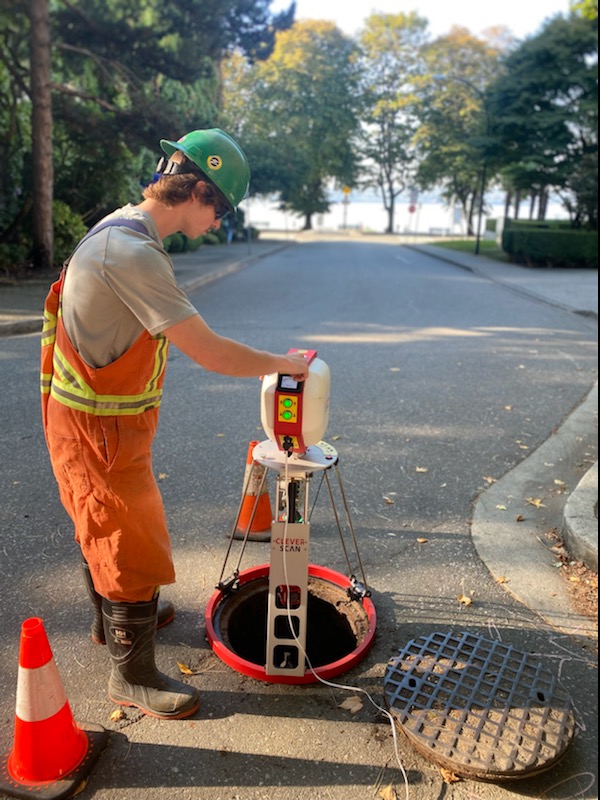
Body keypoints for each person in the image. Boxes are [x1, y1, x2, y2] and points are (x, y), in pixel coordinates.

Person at [40, 128, 309, 720]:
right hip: (99, 428)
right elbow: (209, 352)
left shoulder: (124, 226)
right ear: (200, 193)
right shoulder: (131, 252)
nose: (220, 222)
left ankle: (114, 621)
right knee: (129, 538)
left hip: (97, 418)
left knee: (105, 522)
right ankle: (130, 676)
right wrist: (283, 365)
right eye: (222, 208)